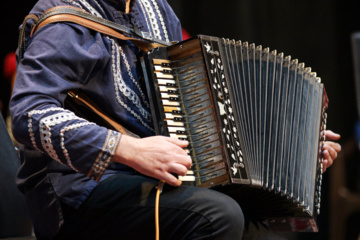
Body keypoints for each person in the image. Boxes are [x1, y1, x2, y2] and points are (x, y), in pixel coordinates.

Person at [10, 0, 341, 239]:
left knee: (270, 221)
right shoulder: (66, 22)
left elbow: (190, 110)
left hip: (156, 177)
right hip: (79, 192)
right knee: (217, 216)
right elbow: (28, 113)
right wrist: (127, 149)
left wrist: (294, 157)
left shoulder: (155, 10)